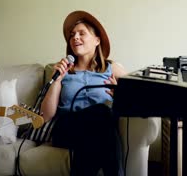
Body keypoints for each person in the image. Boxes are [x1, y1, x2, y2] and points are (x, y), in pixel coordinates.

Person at [40, 10, 127, 176]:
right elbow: (45, 115)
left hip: (98, 130)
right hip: (66, 128)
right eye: (72, 35)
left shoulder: (112, 69)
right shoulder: (62, 70)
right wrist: (56, 81)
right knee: (102, 113)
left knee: (94, 138)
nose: (75, 38)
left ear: (97, 40)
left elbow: (136, 99)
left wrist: (120, 96)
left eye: (81, 33)